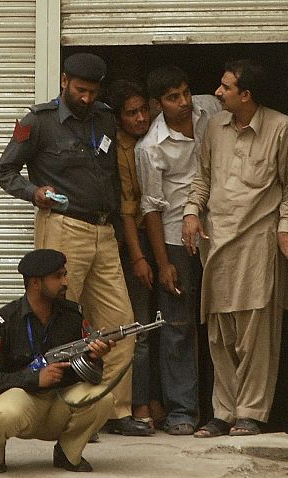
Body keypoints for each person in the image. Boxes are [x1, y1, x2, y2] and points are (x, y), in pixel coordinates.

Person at [0, 53, 146, 437]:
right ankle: (66, 413)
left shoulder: (105, 117)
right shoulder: (39, 121)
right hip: (63, 228)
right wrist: (35, 192)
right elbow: (5, 172)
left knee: (120, 324)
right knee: (61, 323)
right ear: (64, 81)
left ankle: (112, 410)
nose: (86, 98)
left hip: (103, 231)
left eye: (93, 92)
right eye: (80, 90)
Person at [182, 59, 288, 438]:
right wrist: (191, 212)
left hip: (258, 241)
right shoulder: (214, 128)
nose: (217, 93)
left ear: (246, 94)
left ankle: (250, 413)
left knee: (256, 332)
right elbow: (201, 178)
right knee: (220, 334)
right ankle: (222, 412)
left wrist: (285, 231)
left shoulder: (280, 128)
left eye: (225, 87)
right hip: (217, 243)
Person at [135, 66, 222, 436]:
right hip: (175, 240)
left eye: (186, 92)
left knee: (223, 323)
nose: (184, 102)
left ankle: (224, 410)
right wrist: (163, 262)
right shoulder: (150, 147)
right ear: (158, 104)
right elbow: (151, 208)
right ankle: (182, 412)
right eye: (173, 97)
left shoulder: (211, 108)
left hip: (220, 233)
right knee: (177, 328)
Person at [0, 249, 115, 473]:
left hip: (60, 403)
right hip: (24, 403)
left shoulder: (73, 315)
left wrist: (94, 357)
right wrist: (33, 378)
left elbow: (92, 377)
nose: (65, 282)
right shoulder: (4, 321)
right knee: (2, 417)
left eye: (65, 274)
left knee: (103, 398)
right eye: (58, 276)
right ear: (35, 283)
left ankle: (68, 453)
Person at [104, 78, 165, 435]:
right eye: (132, 113)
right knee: (139, 328)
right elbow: (128, 209)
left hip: (162, 234)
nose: (141, 118)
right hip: (133, 242)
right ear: (118, 118)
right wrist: (139, 258)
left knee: (162, 327)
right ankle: (138, 403)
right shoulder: (119, 149)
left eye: (144, 110)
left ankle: (156, 399)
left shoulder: (154, 138)